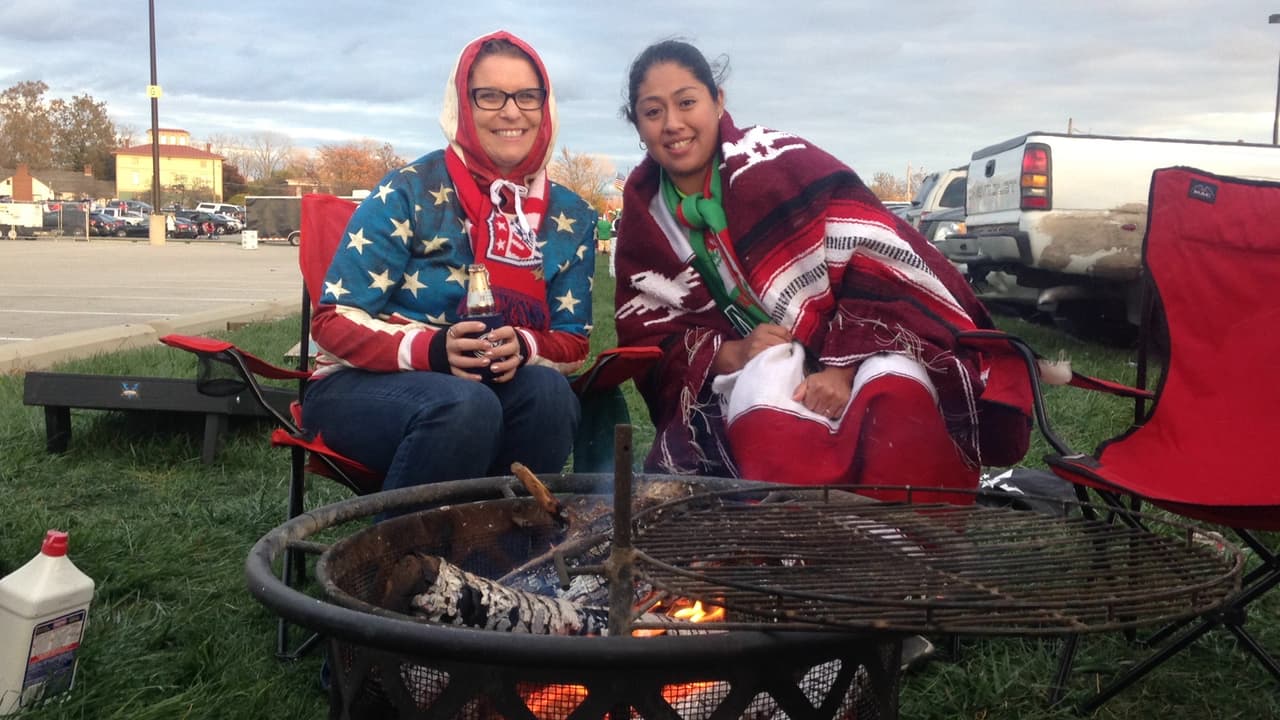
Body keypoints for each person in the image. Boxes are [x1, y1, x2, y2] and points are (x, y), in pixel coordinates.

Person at [613, 40, 1027, 501]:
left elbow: (879, 262)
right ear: (637, 123)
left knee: (895, 383)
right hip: (753, 359)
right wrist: (731, 353)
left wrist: (843, 368)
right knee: (764, 385)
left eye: (687, 102)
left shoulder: (783, 162)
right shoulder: (644, 219)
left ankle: (910, 543)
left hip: (862, 339)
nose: (673, 124)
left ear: (718, 101)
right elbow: (649, 343)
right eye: (653, 112)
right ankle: (794, 544)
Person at [302, 30, 596, 500]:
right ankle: (398, 563)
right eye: (489, 96)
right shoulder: (410, 190)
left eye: (527, 95)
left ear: (546, 107)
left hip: (493, 389)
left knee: (548, 396)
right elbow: (332, 320)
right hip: (364, 387)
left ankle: (506, 556)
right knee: (465, 404)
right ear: (462, 104)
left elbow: (574, 341)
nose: (511, 111)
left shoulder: (571, 217)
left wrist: (522, 343)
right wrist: (432, 351)